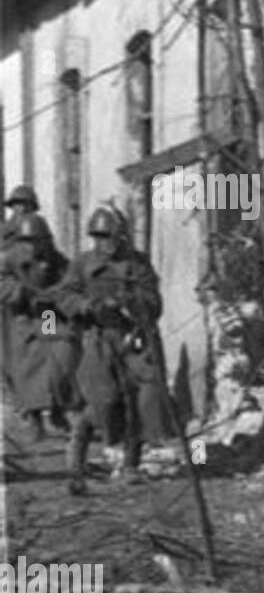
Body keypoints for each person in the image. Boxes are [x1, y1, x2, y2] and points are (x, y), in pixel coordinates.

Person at [54, 207, 163, 495]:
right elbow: (64, 297)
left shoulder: (138, 263)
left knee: (141, 396)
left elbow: (154, 302)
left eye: (109, 236)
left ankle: (131, 465)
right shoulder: (82, 263)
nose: (104, 242)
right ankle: (76, 467)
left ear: (121, 235)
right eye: (98, 236)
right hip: (98, 337)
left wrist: (128, 299)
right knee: (102, 400)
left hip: (133, 335)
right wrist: (88, 306)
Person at [0, 214, 79, 440]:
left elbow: (68, 279)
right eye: (28, 240)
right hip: (20, 316)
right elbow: (3, 285)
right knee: (26, 366)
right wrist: (23, 292)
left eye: (38, 240)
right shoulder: (7, 260)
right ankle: (33, 418)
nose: (33, 245)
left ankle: (56, 409)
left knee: (58, 355)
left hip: (46, 313)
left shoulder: (56, 259)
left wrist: (56, 295)